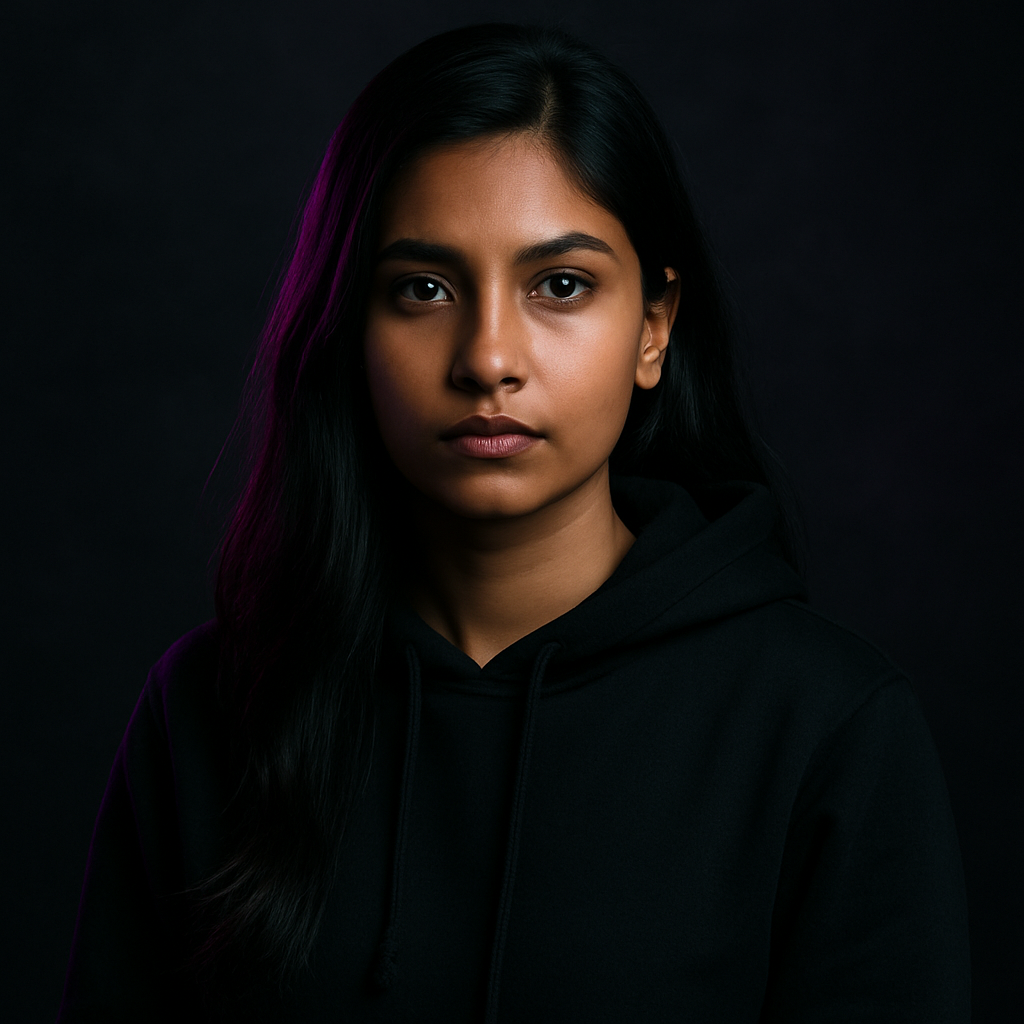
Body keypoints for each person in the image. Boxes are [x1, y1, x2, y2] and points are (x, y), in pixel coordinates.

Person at [57, 22, 971, 1024]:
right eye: (422, 289)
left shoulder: (824, 727)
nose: (488, 356)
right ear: (348, 327)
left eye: (560, 286)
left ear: (654, 327)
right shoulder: (208, 711)